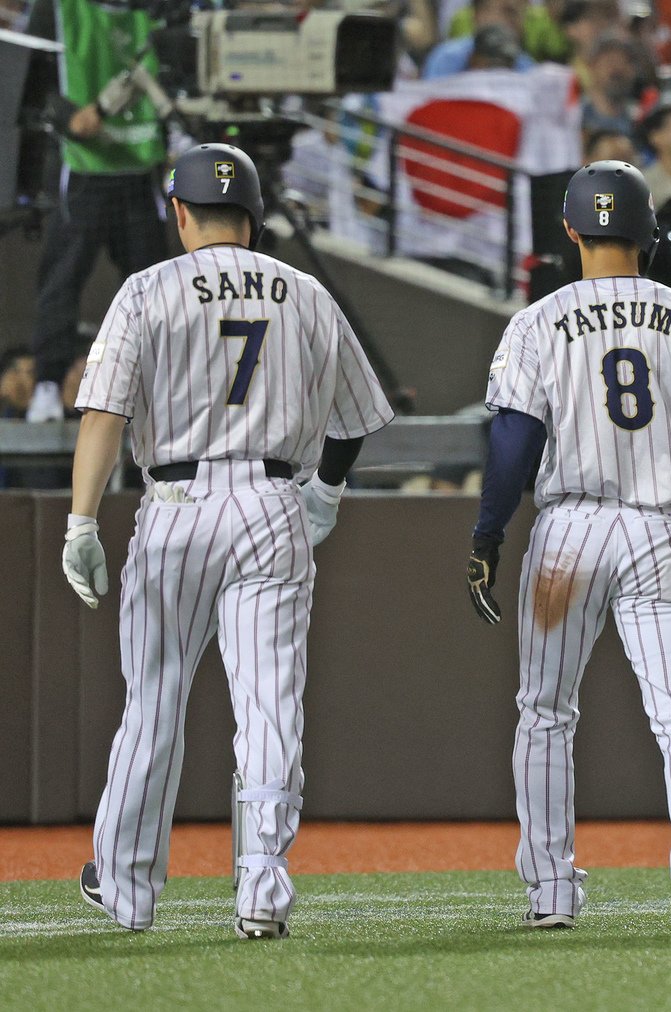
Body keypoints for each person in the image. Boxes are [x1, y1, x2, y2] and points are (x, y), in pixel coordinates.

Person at [65, 143, 394, 939]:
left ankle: (128, 887)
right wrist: (326, 491)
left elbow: (104, 413)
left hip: (176, 504)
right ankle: (262, 889)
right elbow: (356, 416)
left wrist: (81, 519)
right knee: (269, 703)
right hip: (271, 503)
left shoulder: (147, 289)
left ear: (178, 212)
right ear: (254, 215)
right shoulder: (304, 290)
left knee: (154, 701)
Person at [466, 160, 671, 935]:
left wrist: (488, 534)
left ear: (570, 229)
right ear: (647, 231)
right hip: (662, 530)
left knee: (544, 713)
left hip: (568, 534)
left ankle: (551, 892)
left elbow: (512, 441)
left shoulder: (538, 320)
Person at [22, 0, 169, 423]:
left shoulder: (157, 8)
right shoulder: (56, 9)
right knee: (62, 279)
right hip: (83, 168)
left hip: (140, 168)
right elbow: (33, 82)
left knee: (154, 288)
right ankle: (48, 385)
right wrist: (70, 118)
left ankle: (160, 389)